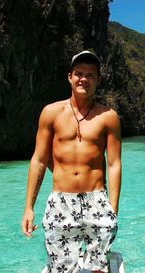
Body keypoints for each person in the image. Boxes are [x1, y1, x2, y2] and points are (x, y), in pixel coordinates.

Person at [21, 50, 121, 273]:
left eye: (90, 75)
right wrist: (29, 208)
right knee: (61, 268)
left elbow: (114, 164)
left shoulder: (108, 117)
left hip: (97, 199)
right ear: (70, 77)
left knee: (98, 268)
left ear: (98, 80)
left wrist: (112, 208)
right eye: (79, 73)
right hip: (61, 201)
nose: (83, 79)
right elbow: (38, 160)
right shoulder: (51, 113)